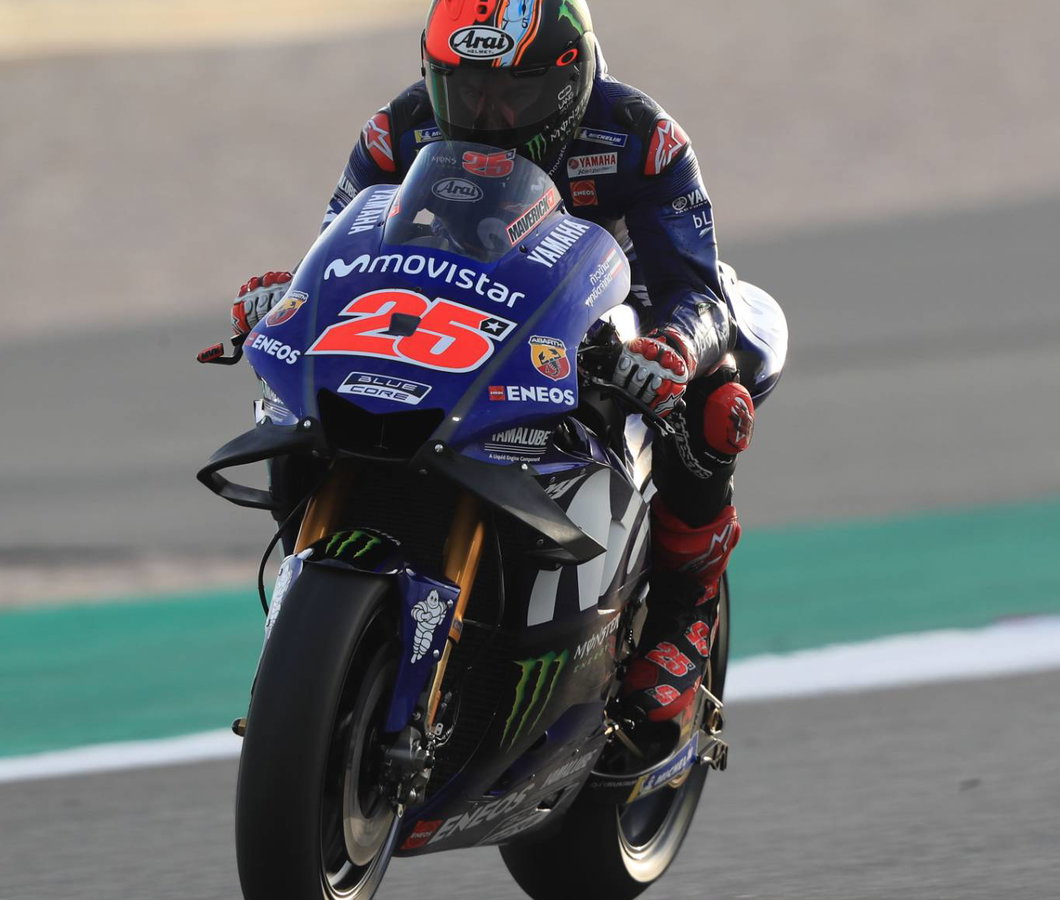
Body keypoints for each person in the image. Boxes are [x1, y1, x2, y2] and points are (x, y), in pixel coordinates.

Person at [230, 0, 785, 752]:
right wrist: (291, 295)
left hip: (606, 328)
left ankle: (686, 617)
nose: (486, 116)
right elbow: (339, 247)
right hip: (450, 321)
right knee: (302, 398)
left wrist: (675, 348)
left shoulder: (642, 138)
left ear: (569, 79)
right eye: (464, 91)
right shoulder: (398, 129)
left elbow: (697, 290)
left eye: (514, 93)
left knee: (715, 400)